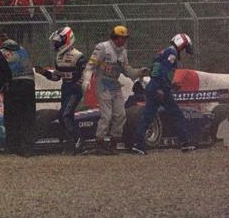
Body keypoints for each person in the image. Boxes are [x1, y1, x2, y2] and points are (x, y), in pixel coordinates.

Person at [82, 25, 147, 154]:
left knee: (121, 115)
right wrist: (86, 79)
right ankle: (99, 143)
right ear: (114, 37)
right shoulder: (102, 48)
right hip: (103, 83)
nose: (123, 41)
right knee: (106, 116)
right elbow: (90, 65)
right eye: (120, 38)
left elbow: (127, 71)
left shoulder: (123, 52)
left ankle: (114, 143)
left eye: (125, 38)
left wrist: (139, 72)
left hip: (115, 85)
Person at [130, 33, 197, 155]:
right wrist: (162, 88)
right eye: (185, 49)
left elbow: (155, 71)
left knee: (147, 116)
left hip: (154, 86)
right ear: (181, 45)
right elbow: (162, 72)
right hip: (160, 89)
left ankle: (137, 145)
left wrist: (168, 86)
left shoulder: (163, 52)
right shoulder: (172, 53)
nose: (184, 52)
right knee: (177, 114)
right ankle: (185, 143)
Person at [35, 26, 87, 153]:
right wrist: (44, 72)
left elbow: (86, 74)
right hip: (65, 88)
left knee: (64, 115)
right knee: (66, 117)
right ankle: (70, 143)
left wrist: (79, 84)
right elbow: (56, 77)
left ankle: (79, 140)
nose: (56, 44)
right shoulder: (58, 57)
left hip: (74, 89)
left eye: (58, 41)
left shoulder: (78, 56)